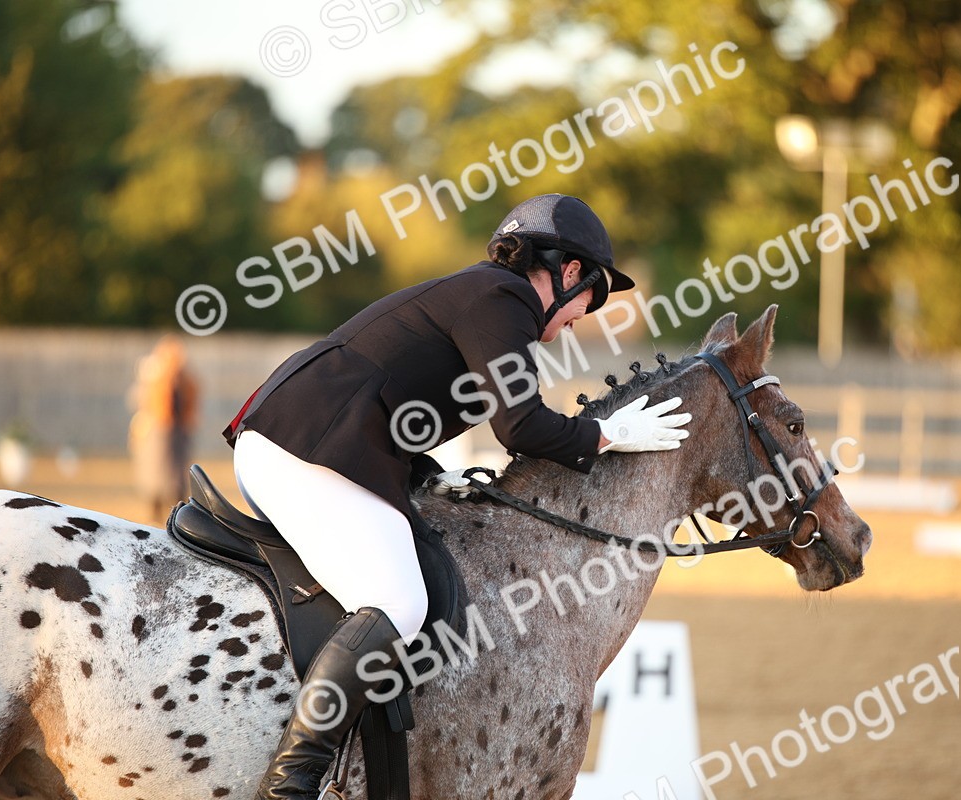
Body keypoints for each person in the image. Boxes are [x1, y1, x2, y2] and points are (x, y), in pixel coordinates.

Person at [224, 194, 693, 800]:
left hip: (313, 443)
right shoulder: (504, 299)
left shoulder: (482, 296)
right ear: (567, 271)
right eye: (590, 299)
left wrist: (426, 473)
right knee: (398, 601)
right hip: (304, 447)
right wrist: (609, 434)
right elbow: (520, 427)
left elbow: (391, 393)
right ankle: (291, 784)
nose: (582, 316)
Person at [128, 335, 199, 520]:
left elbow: (190, 403)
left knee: (176, 472)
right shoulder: (155, 378)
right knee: (155, 469)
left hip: (177, 433)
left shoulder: (185, 380)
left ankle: (178, 507)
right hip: (158, 432)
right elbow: (142, 403)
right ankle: (155, 507)